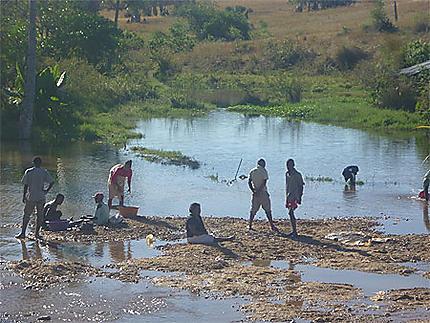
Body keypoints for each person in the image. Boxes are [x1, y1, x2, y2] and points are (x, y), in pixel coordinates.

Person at [16, 157, 54, 239]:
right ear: (40, 163)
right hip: (41, 196)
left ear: (33, 163)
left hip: (31, 197)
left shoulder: (29, 172)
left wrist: (24, 196)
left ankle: (22, 233)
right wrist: (46, 191)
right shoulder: (44, 172)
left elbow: (25, 185)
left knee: (26, 215)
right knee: (39, 216)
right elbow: (52, 182)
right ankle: (37, 234)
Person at [248, 158, 277, 231]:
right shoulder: (264, 171)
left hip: (255, 193)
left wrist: (254, 191)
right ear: (263, 164)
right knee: (268, 210)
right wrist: (259, 191)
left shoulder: (252, 171)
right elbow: (264, 182)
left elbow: (249, 182)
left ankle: (250, 225)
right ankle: (271, 225)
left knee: (253, 210)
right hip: (263, 192)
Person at [285, 159, 304, 237]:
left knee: (290, 212)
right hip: (289, 196)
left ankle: (295, 231)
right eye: (287, 165)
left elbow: (301, 186)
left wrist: (300, 197)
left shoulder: (297, 175)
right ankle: (294, 231)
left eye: (290, 165)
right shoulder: (287, 174)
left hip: (295, 196)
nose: (288, 167)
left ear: (293, 165)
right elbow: (287, 186)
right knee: (290, 213)